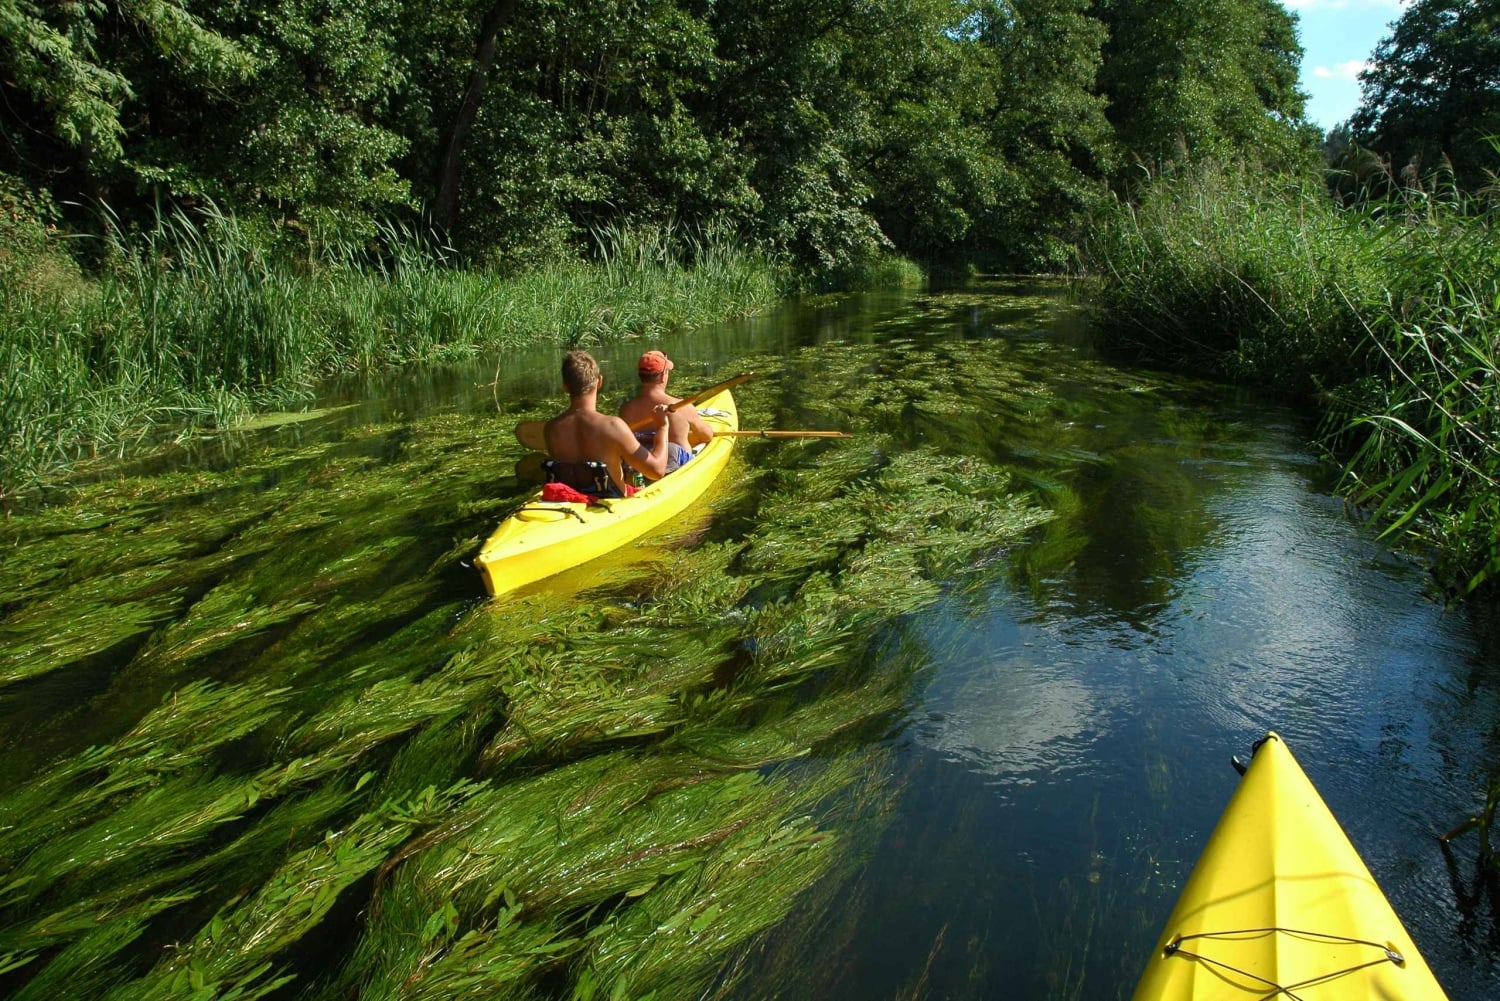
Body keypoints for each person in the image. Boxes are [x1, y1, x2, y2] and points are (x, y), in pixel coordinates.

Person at [544, 349, 668, 497]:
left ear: (565, 386)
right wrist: (662, 427)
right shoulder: (613, 426)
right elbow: (657, 471)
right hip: (610, 503)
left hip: (571, 501)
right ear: (600, 381)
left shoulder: (551, 428)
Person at [618, 350, 714, 474]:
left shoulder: (627, 409)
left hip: (642, 467)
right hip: (675, 468)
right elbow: (706, 436)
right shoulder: (682, 407)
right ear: (663, 376)